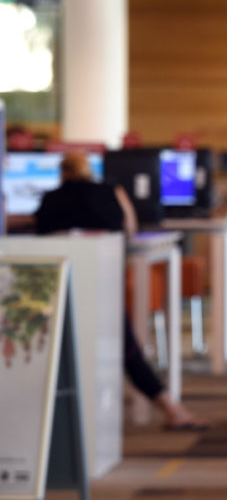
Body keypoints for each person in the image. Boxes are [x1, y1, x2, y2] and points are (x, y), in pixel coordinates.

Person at [34, 151, 208, 431]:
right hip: (101, 282)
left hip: (57, 287)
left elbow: (40, 238)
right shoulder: (110, 192)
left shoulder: (50, 199)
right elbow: (129, 229)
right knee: (127, 348)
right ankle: (171, 409)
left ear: (63, 173)